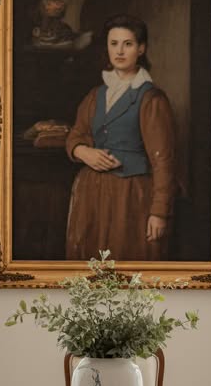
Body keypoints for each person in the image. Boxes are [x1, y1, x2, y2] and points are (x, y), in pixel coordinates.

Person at [64, 15, 175, 262]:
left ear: (141, 49)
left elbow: (163, 160)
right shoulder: (96, 94)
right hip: (91, 195)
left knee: (126, 263)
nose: (120, 51)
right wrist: (83, 151)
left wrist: (159, 212)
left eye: (128, 44)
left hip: (130, 196)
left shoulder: (151, 99)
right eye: (114, 44)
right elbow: (75, 135)